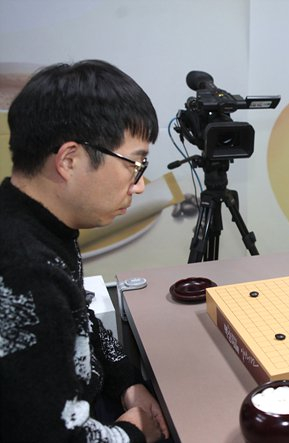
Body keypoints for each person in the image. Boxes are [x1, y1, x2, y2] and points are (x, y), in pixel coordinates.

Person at [0, 60, 169, 442]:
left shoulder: (41, 225)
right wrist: (133, 432)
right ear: (69, 160)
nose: (139, 185)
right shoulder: (24, 271)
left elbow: (79, 317)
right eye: (134, 164)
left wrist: (126, 382)